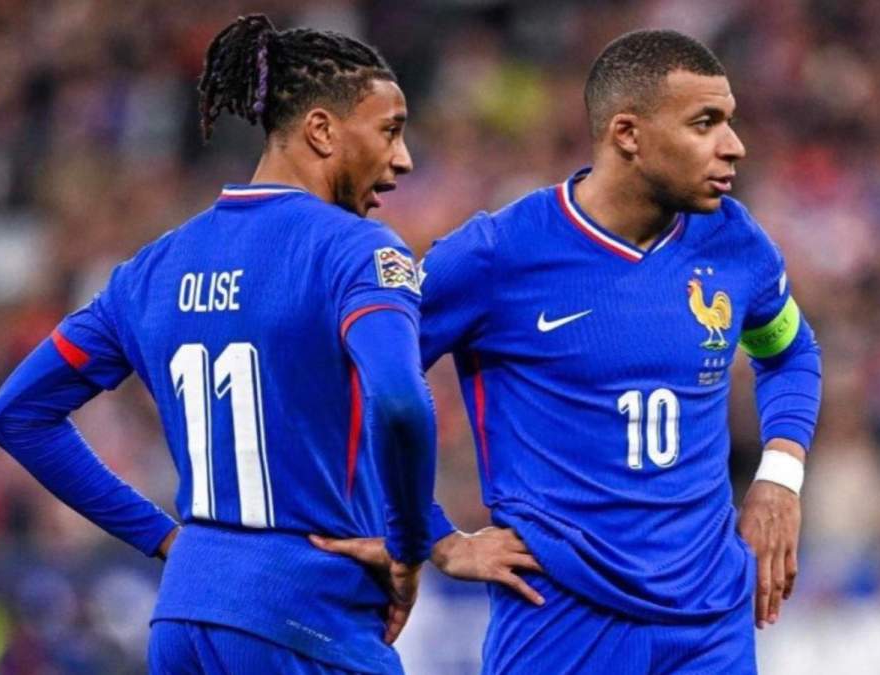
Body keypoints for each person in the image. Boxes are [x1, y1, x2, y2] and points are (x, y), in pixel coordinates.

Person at [317, 29, 822, 673]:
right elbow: (355, 382)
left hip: (711, 620)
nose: (734, 145)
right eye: (705, 123)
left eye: (729, 121)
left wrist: (779, 479)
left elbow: (789, 353)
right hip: (560, 617)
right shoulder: (498, 254)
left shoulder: (734, 241)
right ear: (627, 134)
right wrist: (434, 537)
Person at [0, 14, 435, 674]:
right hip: (306, 616)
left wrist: (164, 538)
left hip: (185, 616)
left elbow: (17, 414)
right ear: (321, 130)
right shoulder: (355, 251)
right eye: (390, 131)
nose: (403, 159)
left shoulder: (154, 268)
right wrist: (412, 547)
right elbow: (401, 401)